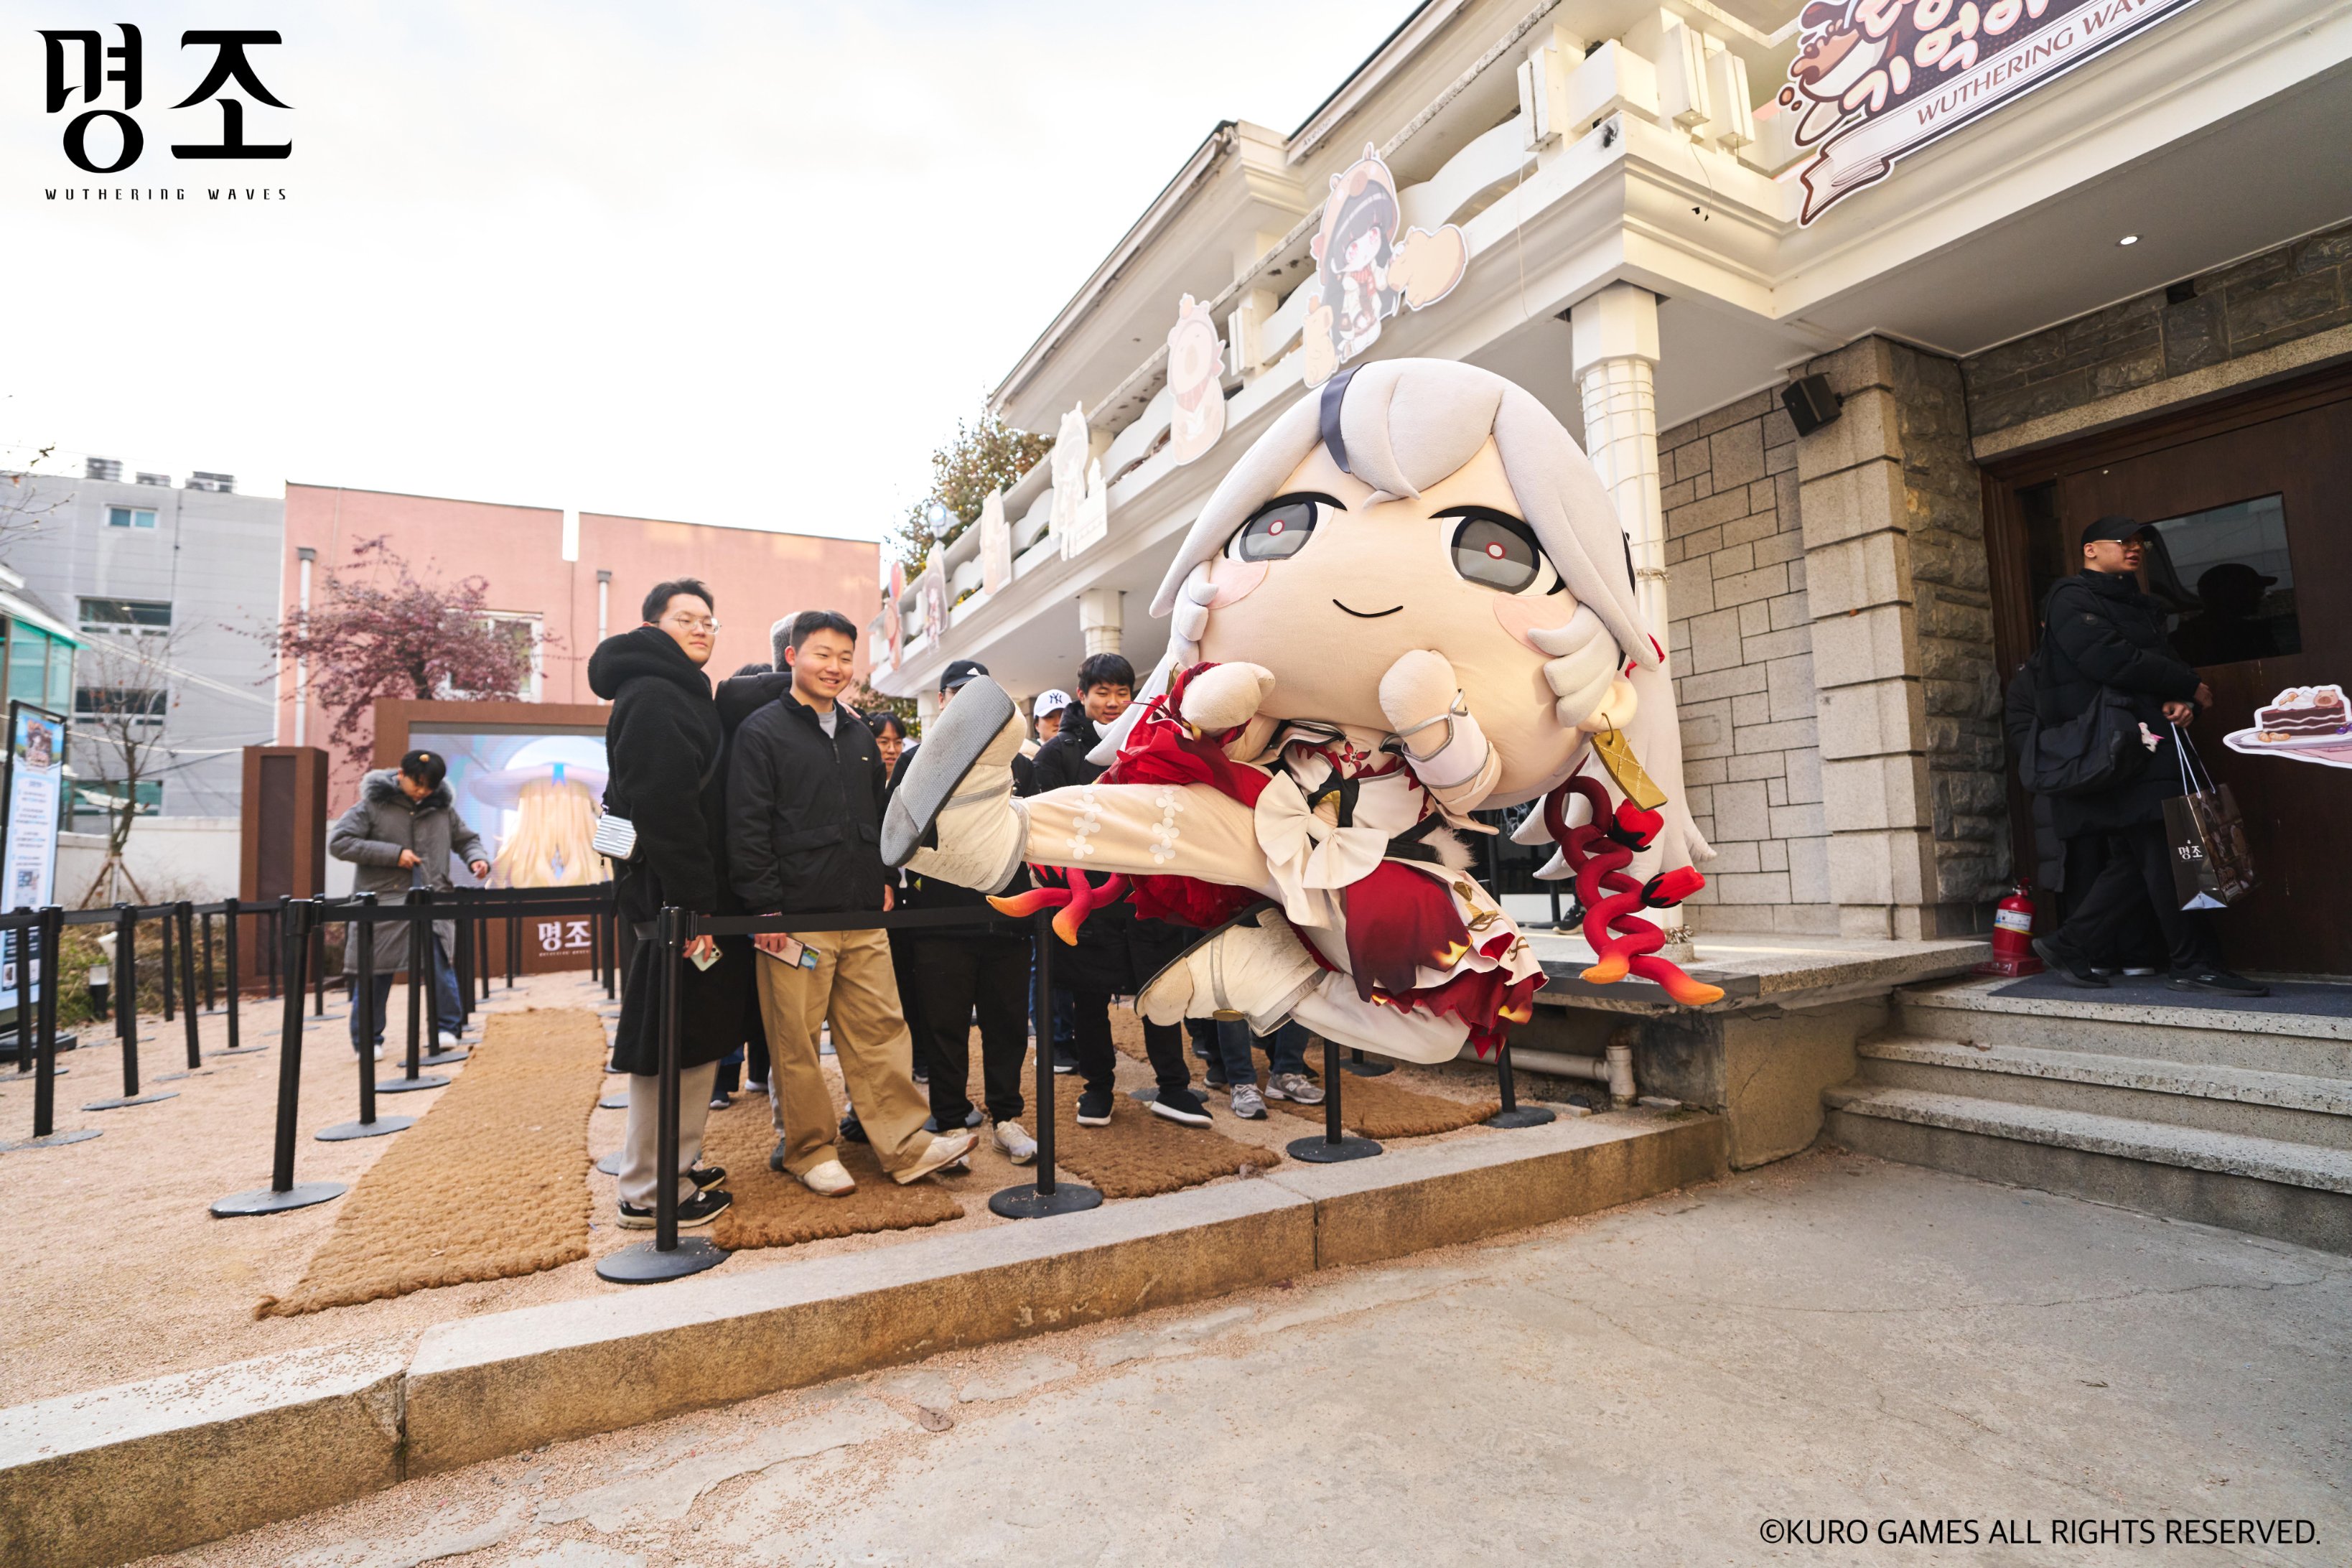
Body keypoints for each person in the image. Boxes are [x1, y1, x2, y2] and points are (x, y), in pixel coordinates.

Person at [885, 359, 1722, 1073]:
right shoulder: (1294, 710)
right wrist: (1216, 705)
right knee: (1170, 818)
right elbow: (1237, 742)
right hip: (1275, 828)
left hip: (1379, 876)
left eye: (1489, 547)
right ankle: (990, 832)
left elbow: (1468, 788)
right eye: (1285, 526)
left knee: (1443, 1028)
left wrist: (1432, 724)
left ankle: (1263, 979)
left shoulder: (1433, 731)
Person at [725, 610, 974, 1196]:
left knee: (881, 1029)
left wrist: (883, 877)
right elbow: (747, 824)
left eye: (844, 657)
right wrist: (765, 909)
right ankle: (808, 1149)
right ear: (792, 656)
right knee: (796, 1039)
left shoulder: (861, 734)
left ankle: (905, 1145)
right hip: (795, 920)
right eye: (822, 654)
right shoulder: (761, 732)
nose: (834, 667)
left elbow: (878, 815)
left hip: (861, 912)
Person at [2026, 518, 2266, 997]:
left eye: (2139, 543)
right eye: (2123, 541)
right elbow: (2107, 658)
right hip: (2124, 745)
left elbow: (2161, 662)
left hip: (2149, 740)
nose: (2134, 548)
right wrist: (2186, 684)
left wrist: (2186, 698)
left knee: (2147, 857)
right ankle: (2192, 962)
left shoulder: (2137, 603)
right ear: (2091, 550)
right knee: (2169, 851)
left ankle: (2072, 943)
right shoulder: (2072, 596)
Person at [589, 579, 748, 1230]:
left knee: (690, 1036)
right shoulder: (656, 695)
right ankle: (650, 1191)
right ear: (654, 627)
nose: (702, 629)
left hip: (673, 899)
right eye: (687, 619)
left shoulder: (673, 691)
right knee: (671, 1042)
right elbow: (667, 810)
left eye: (709, 620)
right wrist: (693, 907)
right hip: (676, 905)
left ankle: (673, 1167)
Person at [1030, 652, 1216, 1129]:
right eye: (1102, 692)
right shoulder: (1056, 755)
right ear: (1082, 695)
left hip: (1146, 895)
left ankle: (1173, 1087)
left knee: (1161, 995)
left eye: (1122, 692)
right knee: (1088, 1003)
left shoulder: (1151, 741)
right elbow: (1046, 830)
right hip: (1087, 901)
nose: (1113, 702)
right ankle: (1097, 1089)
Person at [895, 658, 1037, 1164]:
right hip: (938, 921)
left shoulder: (1021, 764)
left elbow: (1036, 837)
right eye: (959, 694)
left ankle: (1008, 1118)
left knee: (1008, 1025)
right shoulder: (915, 762)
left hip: (1008, 919)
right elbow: (895, 837)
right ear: (942, 700)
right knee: (944, 1027)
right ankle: (951, 1123)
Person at [330, 748, 488, 1060]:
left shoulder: (442, 809)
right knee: (375, 971)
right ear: (401, 775)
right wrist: (393, 854)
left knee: (440, 965)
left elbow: (467, 840)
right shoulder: (373, 805)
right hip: (383, 903)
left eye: (429, 787)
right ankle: (368, 1039)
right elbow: (340, 842)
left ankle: (446, 1028)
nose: (422, 792)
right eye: (417, 784)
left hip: (431, 900)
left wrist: (477, 858)